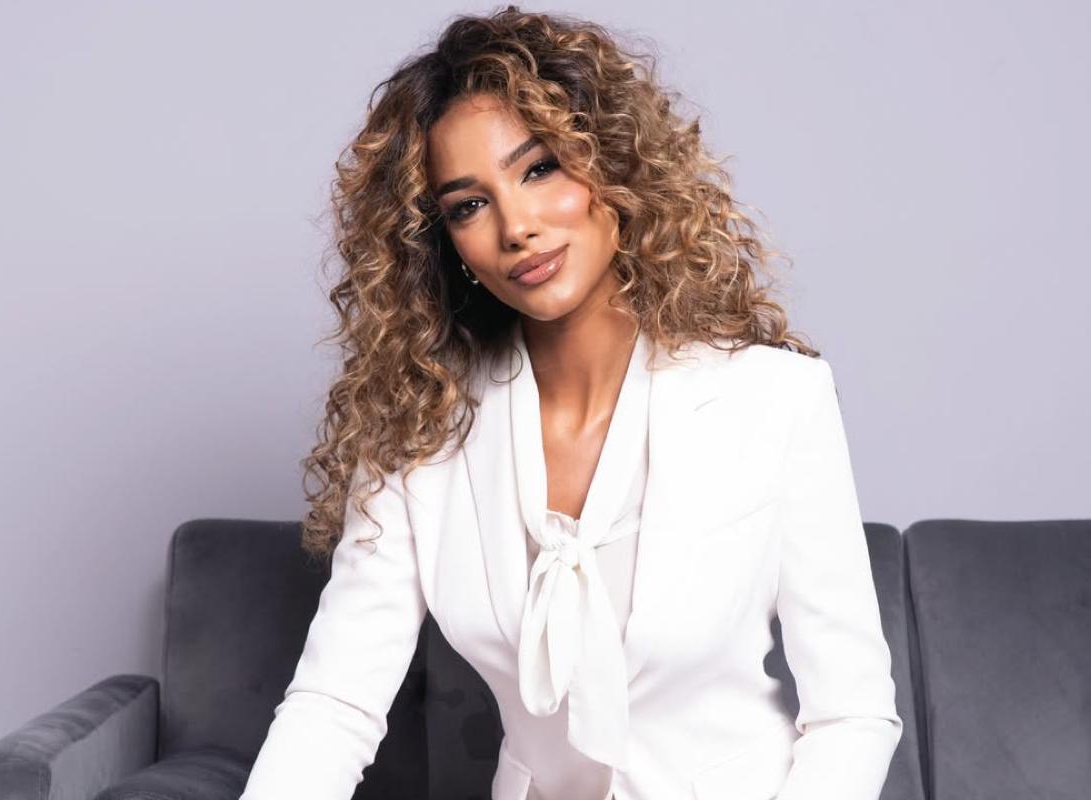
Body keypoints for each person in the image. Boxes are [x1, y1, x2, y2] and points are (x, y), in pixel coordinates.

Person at [239, 6, 902, 800]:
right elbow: (334, 704)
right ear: (445, 242)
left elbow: (853, 713)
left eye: (540, 168)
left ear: (613, 165)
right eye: (468, 204)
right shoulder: (419, 430)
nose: (516, 226)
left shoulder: (775, 398)